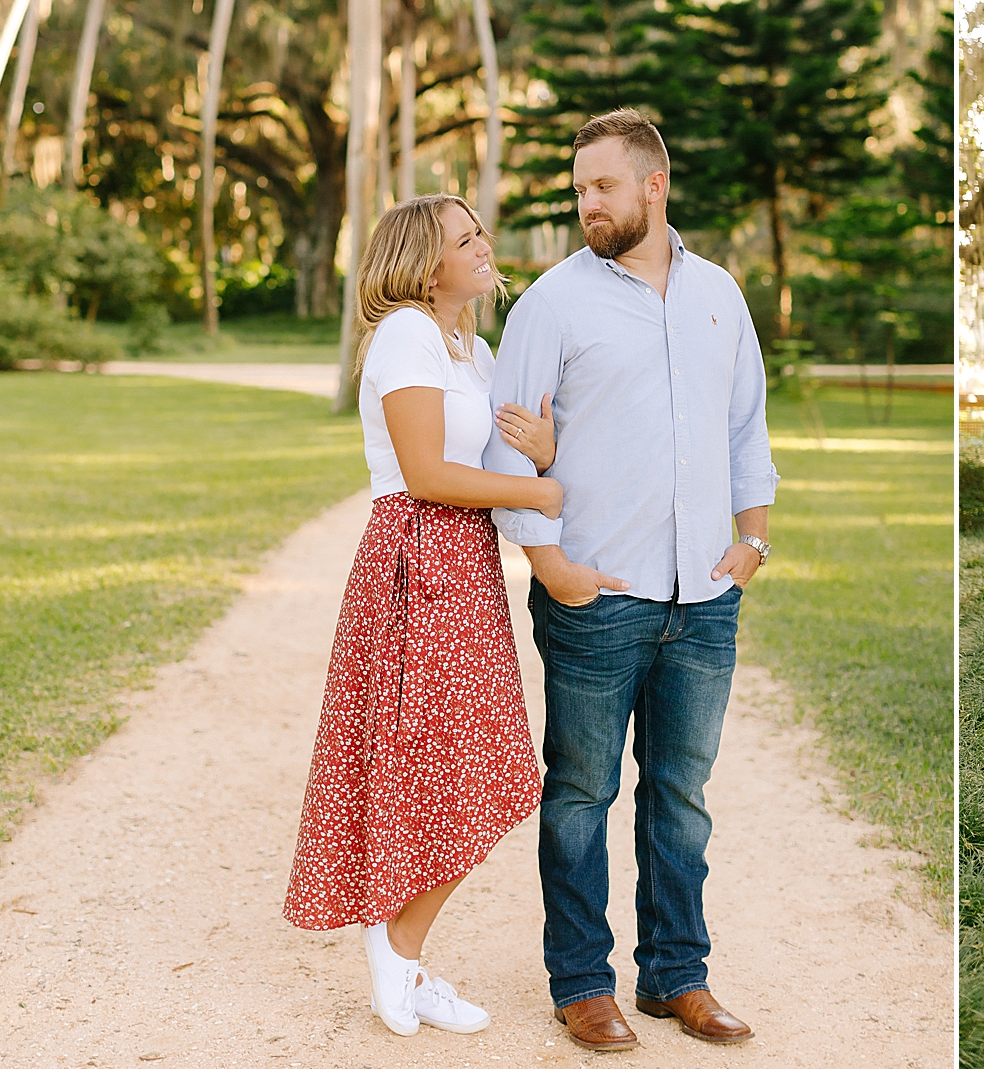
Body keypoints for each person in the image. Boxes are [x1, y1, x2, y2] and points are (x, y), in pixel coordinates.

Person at [484, 107, 779, 1054]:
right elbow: (505, 447)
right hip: (596, 598)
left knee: (681, 796)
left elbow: (746, 428)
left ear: (654, 185)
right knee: (579, 794)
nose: (587, 205)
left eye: (602, 187)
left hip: (704, 600)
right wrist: (553, 565)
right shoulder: (551, 304)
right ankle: (582, 984)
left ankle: (676, 978)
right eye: (578, 191)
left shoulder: (719, 296)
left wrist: (752, 543)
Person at [283, 194, 559, 1036]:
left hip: (465, 564)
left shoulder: (473, 348)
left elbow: (513, 449)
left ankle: (398, 947)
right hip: (418, 557)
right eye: (462, 239)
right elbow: (428, 472)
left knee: (480, 767)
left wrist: (542, 457)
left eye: (480, 233)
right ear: (422, 262)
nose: (483, 247)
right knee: (456, 762)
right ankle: (397, 952)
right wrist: (539, 487)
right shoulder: (405, 333)